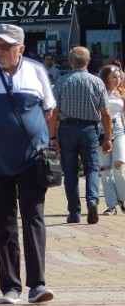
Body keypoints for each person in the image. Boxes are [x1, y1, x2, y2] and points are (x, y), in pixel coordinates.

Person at [0, 23, 56, 305]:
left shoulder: (36, 71)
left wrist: (46, 141)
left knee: (33, 217)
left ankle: (37, 285)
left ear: (21, 49)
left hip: (31, 160)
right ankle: (10, 287)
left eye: (6, 46)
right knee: (3, 224)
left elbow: (50, 110)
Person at [49, 46, 111, 225]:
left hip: (67, 128)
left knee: (70, 172)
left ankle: (74, 212)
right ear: (88, 61)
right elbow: (106, 113)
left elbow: (54, 112)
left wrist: (52, 136)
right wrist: (107, 137)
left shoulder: (61, 82)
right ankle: (92, 200)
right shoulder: (97, 82)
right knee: (91, 168)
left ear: (70, 61)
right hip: (89, 129)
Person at [97, 65, 125, 215]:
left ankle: (122, 198)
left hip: (119, 129)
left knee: (119, 164)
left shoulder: (121, 93)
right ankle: (111, 204)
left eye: (119, 77)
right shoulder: (100, 93)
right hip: (102, 131)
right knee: (105, 168)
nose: (117, 80)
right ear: (106, 78)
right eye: (114, 77)